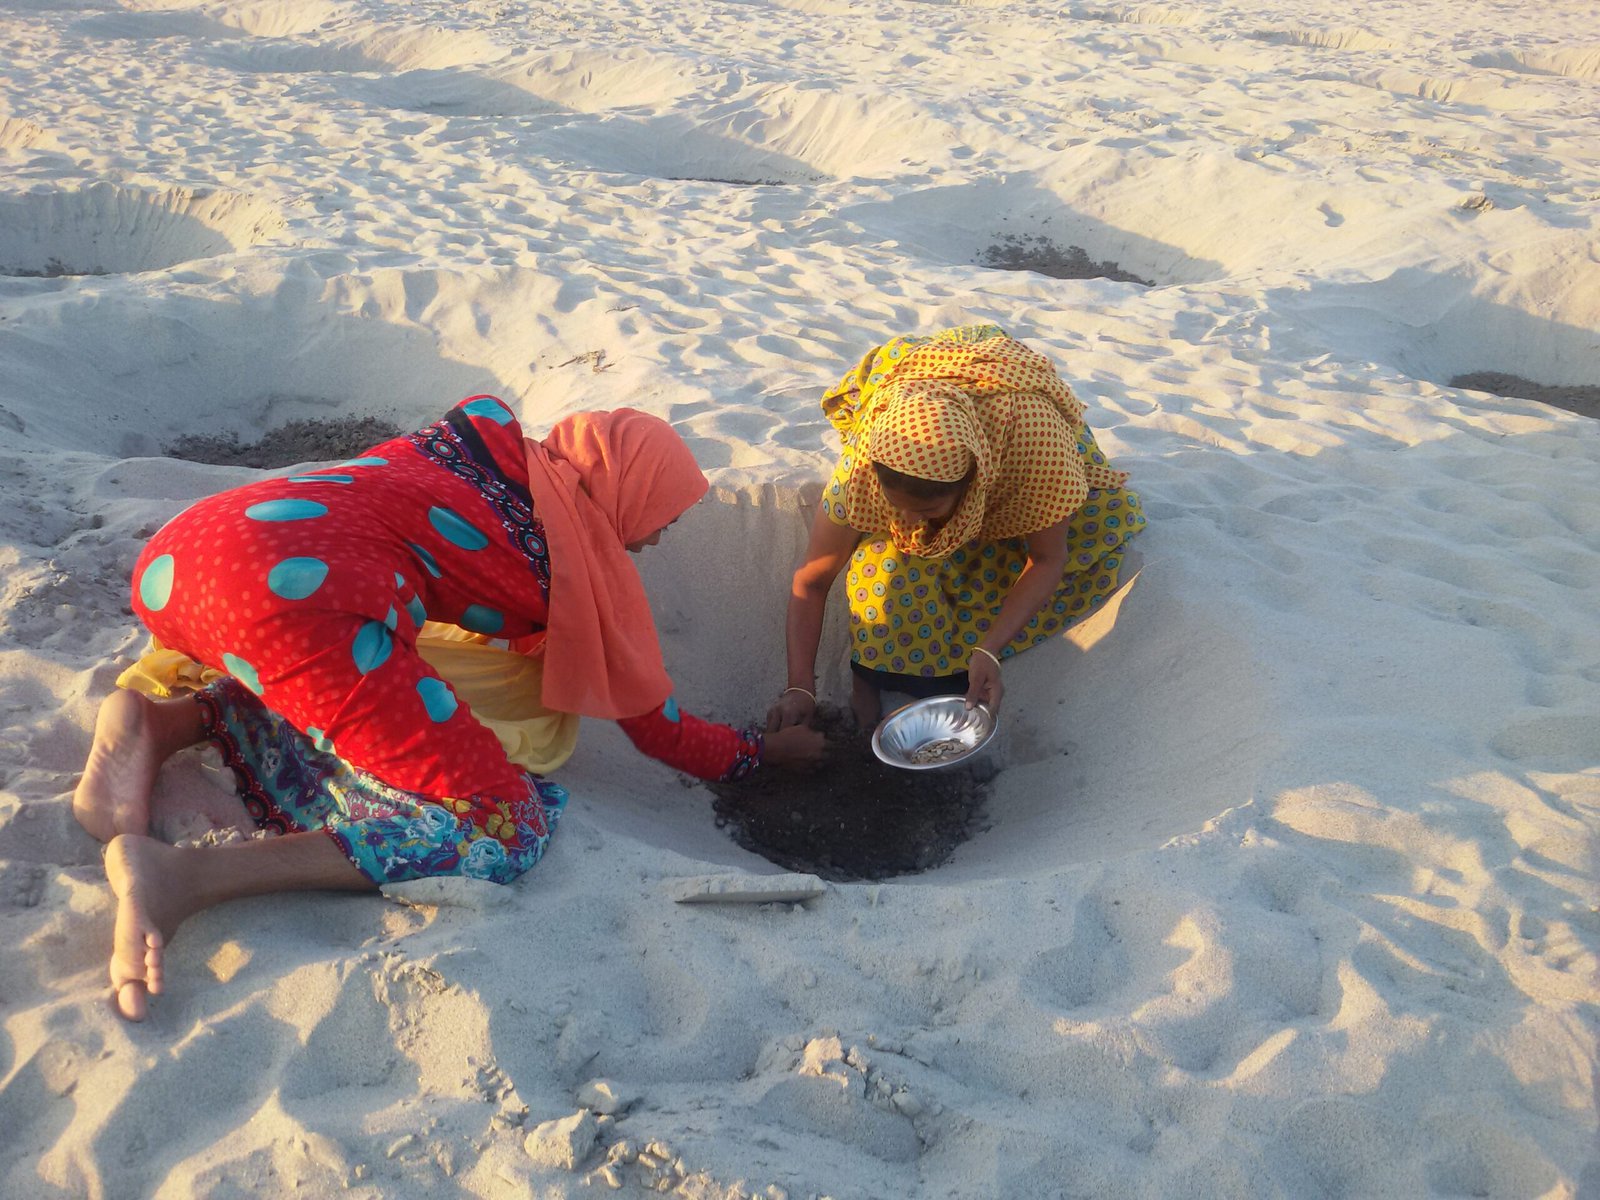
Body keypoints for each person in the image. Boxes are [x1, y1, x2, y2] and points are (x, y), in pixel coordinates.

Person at [74, 395, 824, 1020]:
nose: (657, 539)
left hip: (190, 554)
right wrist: (758, 755)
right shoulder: (571, 559)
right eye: (662, 514)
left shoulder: (479, 450)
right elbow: (653, 727)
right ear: (623, 490)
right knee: (502, 823)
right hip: (290, 600)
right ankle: (188, 880)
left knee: (348, 664)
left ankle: (164, 718)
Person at [768, 324, 1146, 732]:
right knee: (883, 585)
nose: (909, 526)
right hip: (921, 389)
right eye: (898, 507)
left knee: (983, 607)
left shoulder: (1037, 447)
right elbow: (811, 579)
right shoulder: (863, 467)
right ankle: (867, 687)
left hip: (1015, 424)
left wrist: (989, 650)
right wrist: (800, 687)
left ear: (972, 485)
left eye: (928, 510)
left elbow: (1048, 559)